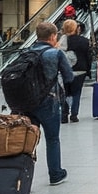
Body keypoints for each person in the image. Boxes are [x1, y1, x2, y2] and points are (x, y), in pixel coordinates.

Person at [29, 21, 68, 185]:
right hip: (49, 101)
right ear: (53, 36)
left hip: (28, 101)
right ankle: (55, 174)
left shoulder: (27, 52)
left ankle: (23, 176)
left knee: (27, 139)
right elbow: (68, 76)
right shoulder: (55, 53)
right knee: (52, 139)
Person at [60, 18, 92, 123]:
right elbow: (88, 56)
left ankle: (64, 115)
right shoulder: (84, 41)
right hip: (80, 70)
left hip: (65, 70)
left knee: (65, 91)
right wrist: (88, 70)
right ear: (76, 28)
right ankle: (74, 115)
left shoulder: (61, 42)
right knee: (76, 92)